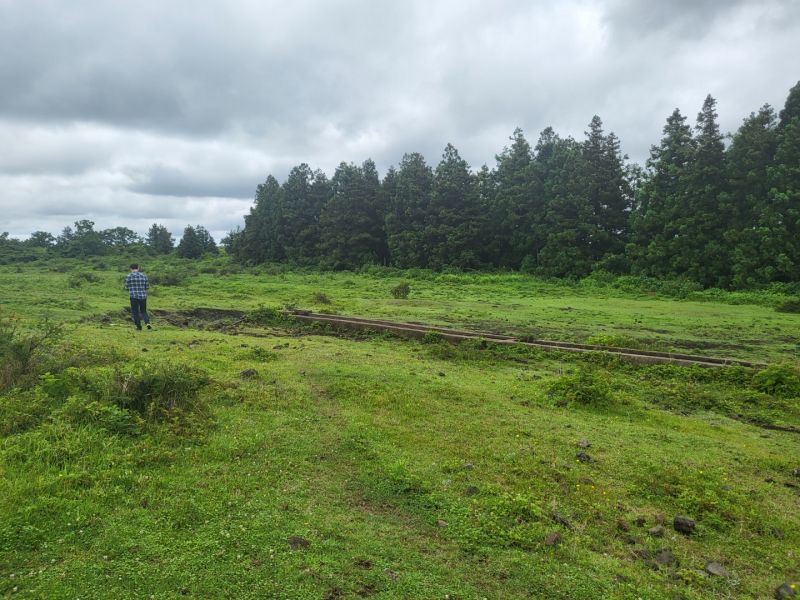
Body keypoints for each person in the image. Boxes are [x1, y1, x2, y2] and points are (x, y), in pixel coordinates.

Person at [124, 263, 151, 330]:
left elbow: (126, 287)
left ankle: (138, 327)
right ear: (138, 268)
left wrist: (132, 288)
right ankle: (147, 323)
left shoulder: (129, 276)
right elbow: (147, 287)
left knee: (135, 312)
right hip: (143, 296)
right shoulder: (143, 276)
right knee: (144, 311)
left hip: (133, 296)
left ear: (130, 269)